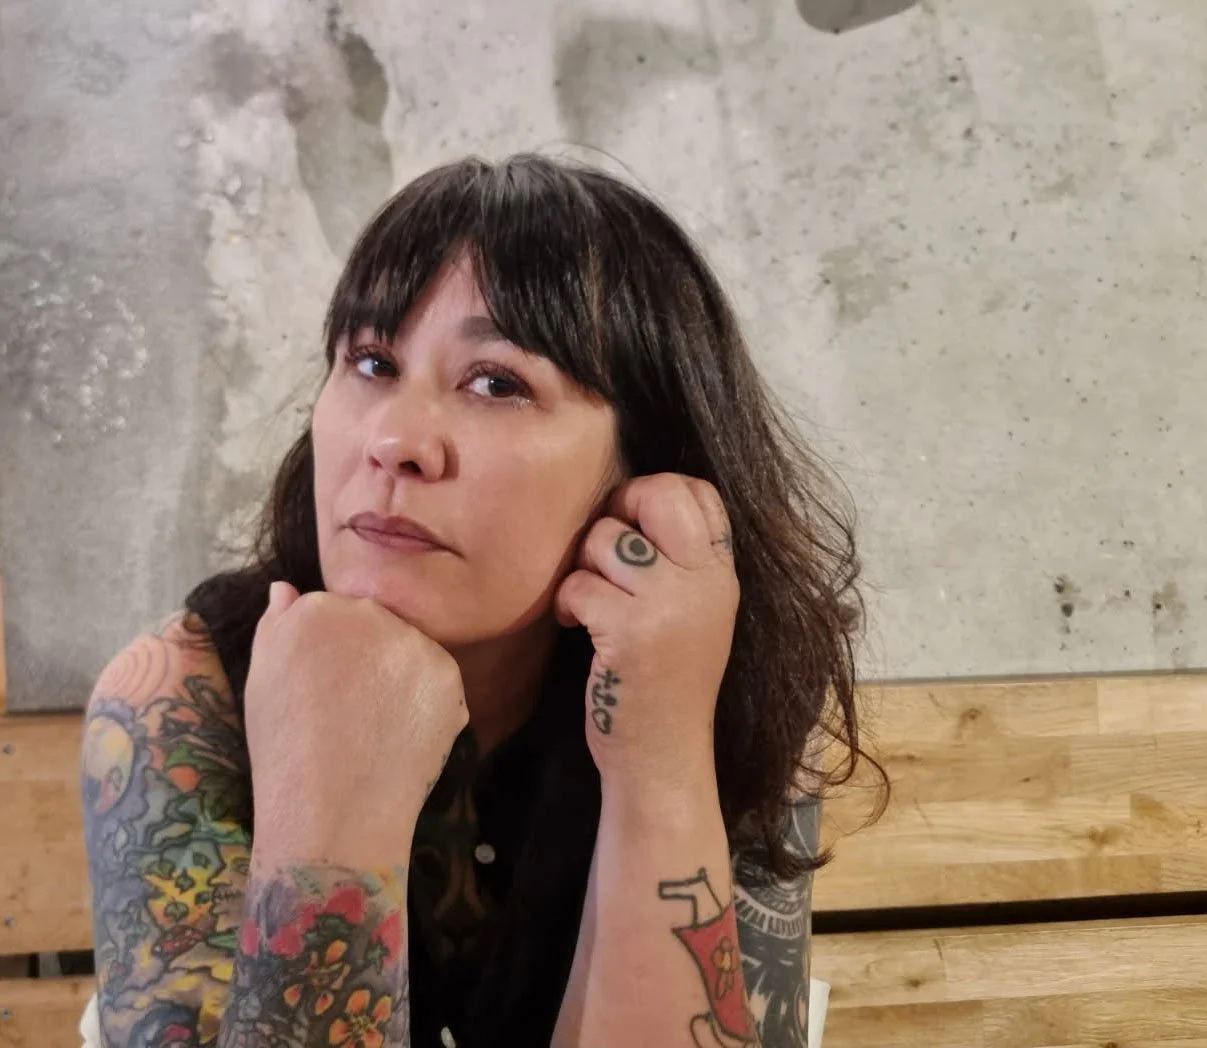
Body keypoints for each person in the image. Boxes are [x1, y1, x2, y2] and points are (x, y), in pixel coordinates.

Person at [80, 153, 879, 1048]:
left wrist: (658, 756)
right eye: (373, 361)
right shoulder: (179, 700)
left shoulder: (719, 670)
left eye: (496, 382)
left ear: (647, 468)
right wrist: (323, 825)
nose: (395, 439)